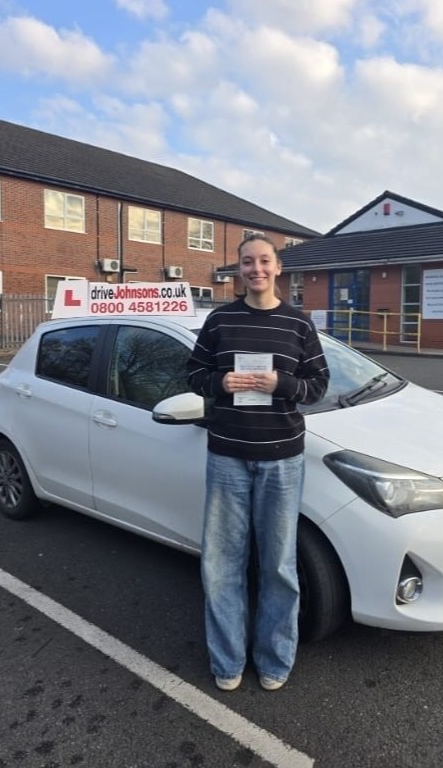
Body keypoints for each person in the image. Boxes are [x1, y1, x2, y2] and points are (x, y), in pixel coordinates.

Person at [186, 234, 330, 692]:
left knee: (279, 566)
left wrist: (283, 385)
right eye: (247, 262)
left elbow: (319, 385)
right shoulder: (219, 320)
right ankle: (227, 661)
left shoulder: (299, 324)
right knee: (222, 564)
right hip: (227, 457)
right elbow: (192, 375)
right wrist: (220, 381)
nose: (256, 269)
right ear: (239, 269)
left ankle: (274, 658)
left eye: (264, 261)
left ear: (278, 267)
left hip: (282, 461)